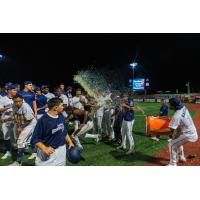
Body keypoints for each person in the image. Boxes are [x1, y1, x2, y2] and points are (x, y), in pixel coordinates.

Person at [151, 97, 198, 166]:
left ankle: (173, 164)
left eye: (170, 104)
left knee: (172, 145)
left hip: (188, 134)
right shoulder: (183, 107)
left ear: (173, 106)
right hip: (188, 130)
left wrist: (155, 132)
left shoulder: (177, 115)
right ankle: (181, 157)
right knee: (177, 141)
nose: (169, 105)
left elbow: (170, 130)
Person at [31, 97, 74, 166]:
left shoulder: (61, 116)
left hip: (61, 151)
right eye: (62, 105)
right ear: (56, 108)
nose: (63, 107)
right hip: (48, 151)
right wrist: (44, 148)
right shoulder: (43, 120)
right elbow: (35, 138)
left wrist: (70, 142)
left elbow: (64, 131)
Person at [9, 94, 37, 166]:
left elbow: (29, 119)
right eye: (16, 101)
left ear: (22, 100)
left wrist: (20, 127)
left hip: (31, 124)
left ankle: (18, 162)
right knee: (27, 141)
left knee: (20, 142)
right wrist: (18, 124)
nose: (18, 103)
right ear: (13, 101)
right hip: (24, 122)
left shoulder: (25, 106)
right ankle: (35, 153)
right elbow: (15, 114)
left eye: (19, 101)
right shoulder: (14, 105)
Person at [0, 84, 17, 160]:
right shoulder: (3, 99)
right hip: (5, 120)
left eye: (15, 90)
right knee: (6, 136)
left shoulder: (18, 98)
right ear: (9, 91)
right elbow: (0, 109)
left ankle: (15, 148)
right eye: (14, 90)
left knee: (14, 137)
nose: (15, 91)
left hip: (15, 120)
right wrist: (8, 107)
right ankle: (8, 151)